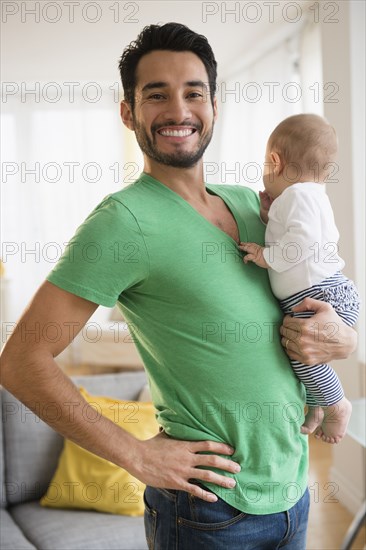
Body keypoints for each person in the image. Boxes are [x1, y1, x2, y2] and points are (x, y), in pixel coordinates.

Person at [0, 23, 358, 550]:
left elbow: (320, 290)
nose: (179, 110)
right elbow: (21, 359)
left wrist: (345, 338)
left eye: (193, 92)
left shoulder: (259, 205)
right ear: (129, 112)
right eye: (156, 94)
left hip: (292, 489)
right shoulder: (122, 223)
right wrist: (136, 454)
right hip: (208, 512)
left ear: (214, 106)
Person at [240, 114, 360, 446]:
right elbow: (294, 234)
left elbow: (302, 242)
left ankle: (337, 405)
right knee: (301, 354)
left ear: (275, 162)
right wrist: (270, 216)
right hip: (327, 292)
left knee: (300, 354)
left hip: (322, 295)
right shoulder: (307, 196)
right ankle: (318, 404)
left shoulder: (297, 197)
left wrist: (266, 256)